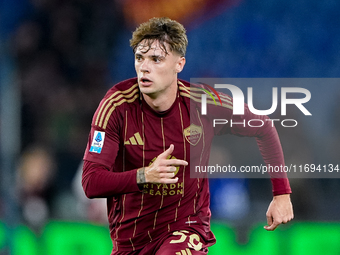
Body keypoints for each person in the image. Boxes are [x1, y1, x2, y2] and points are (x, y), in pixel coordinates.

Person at [82, 17, 294, 255]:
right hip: (130, 242)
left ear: (179, 64)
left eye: (156, 59)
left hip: (186, 228)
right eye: (139, 58)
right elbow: (91, 182)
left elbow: (263, 126)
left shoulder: (202, 102)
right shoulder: (116, 107)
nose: (144, 67)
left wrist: (281, 194)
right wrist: (144, 175)